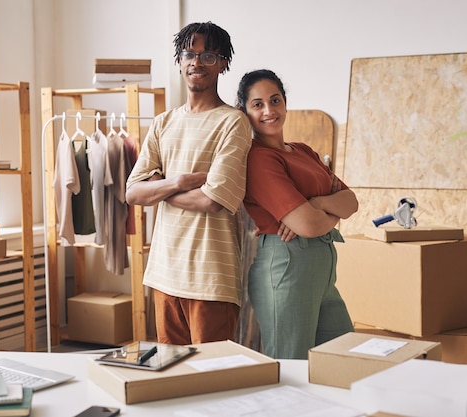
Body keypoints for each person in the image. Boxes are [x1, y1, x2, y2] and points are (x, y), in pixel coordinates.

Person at [125, 22, 252, 345]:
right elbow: (132, 191)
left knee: (211, 379)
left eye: (208, 55)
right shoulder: (163, 122)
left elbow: (212, 200)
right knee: (172, 378)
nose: (197, 62)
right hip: (164, 272)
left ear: (223, 63)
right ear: (179, 62)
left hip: (211, 277)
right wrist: (180, 181)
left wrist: (161, 187)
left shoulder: (233, 122)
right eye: (189, 54)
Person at [236, 69, 358, 359]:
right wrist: (324, 208)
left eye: (275, 100)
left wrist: (314, 204)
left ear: (285, 103)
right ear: (245, 112)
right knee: (291, 365)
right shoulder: (258, 159)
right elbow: (306, 223)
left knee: (342, 359)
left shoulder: (303, 151)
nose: (269, 110)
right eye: (258, 104)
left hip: (323, 272)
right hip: (286, 265)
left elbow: (351, 202)